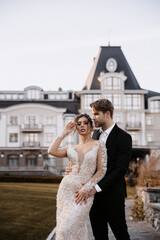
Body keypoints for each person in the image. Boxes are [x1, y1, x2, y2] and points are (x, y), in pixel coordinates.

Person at [48, 113, 107, 240]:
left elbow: (101, 170)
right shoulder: (71, 148)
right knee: (66, 228)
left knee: (68, 228)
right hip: (66, 191)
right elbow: (51, 150)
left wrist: (87, 187)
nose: (82, 126)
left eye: (85, 123)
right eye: (79, 124)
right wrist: (64, 132)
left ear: (91, 126)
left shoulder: (99, 145)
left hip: (83, 193)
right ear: (76, 128)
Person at [88, 99, 132, 240]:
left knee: (121, 235)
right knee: (99, 236)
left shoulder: (124, 137)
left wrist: (97, 187)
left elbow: (120, 169)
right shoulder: (95, 135)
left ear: (107, 113)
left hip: (113, 196)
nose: (92, 118)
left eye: (96, 114)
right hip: (94, 198)